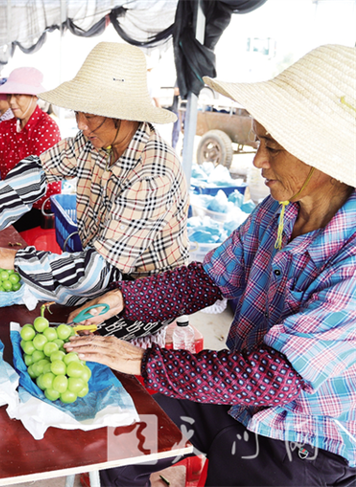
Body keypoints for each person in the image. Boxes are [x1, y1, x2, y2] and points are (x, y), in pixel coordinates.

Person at [64, 45, 356, 487]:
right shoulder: (278, 212)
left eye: (272, 147)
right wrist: (124, 299)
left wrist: (143, 360)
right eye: (260, 142)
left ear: (324, 159)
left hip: (301, 441)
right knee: (115, 441)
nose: (258, 160)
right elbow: (208, 278)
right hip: (234, 397)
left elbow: (275, 378)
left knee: (225, 464)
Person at [0, 43, 188, 344]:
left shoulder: (152, 173)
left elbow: (96, 273)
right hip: (101, 267)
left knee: (68, 340)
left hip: (142, 292)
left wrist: (14, 259)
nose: (81, 125)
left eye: (91, 115)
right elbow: (42, 169)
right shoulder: (94, 140)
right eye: (79, 113)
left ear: (123, 113)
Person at [0, 67, 62, 231]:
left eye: (18, 95)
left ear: (34, 96)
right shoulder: (7, 126)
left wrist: (2, 190)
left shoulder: (46, 128)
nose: (12, 101)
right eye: (10, 95)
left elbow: (41, 179)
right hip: (9, 206)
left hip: (37, 213)